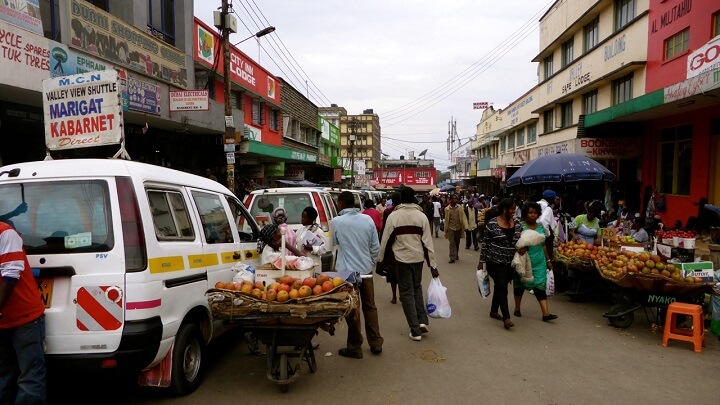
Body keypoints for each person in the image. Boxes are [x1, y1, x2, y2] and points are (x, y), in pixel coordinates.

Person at [379, 187, 439, 341]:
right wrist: (433, 266)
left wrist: (381, 261)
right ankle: (422, 321)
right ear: (413, 198)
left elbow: (385, 241)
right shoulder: (422, 217)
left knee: (406, 293)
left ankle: (415, 329)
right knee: (417, 288)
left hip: (402, 260)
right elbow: (428, 244)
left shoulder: (394, 217)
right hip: (418, 259)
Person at [0, 221, 47, 404]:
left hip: (24, 319)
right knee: (3, 377)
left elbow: (10, 275)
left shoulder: (5, 232)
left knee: (30, 378)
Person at [332, 191, 383, 358]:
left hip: (347, 274)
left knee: (352, 309)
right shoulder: (367, 220)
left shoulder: (337, 222)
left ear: (340, 203)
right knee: (370, 306)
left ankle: (355, 346)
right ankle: (375, 342)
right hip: (365, 271)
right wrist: (369, 262)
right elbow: (375, 246)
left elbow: (334, 243)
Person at [477, 198, 522, 330]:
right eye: (512, 209)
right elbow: (485, 244)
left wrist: (524, 248)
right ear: (504, 209)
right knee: (502, 286)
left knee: (500, 286)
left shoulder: (517, 224)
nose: (514, 211)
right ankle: (506, 318)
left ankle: (493, 310)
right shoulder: (492, 223)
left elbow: (521, 241)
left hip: (510, 262)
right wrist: (481, 261)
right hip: (494, 261)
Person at [513, 202, 558, 322]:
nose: (533, 215)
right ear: (525, 214)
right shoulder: (520, 226)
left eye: (535, 213)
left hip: (539, 261)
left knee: (540, 285)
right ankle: (517, 308)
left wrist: (548, 260)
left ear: (538, 214)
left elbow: (543, 245)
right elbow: (516, 243)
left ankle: (545, 313)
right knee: (520, 284)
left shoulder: (541, 227)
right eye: (530, 212)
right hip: (525, 260)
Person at [444, 194, 468, 263]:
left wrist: (466, 226)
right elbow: (446, 220)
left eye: (456, 199)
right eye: (454, 199)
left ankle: (456, 254)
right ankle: (452, 257)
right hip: (451, 228)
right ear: (450, 200)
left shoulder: (460, 208)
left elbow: (463, 217)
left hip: (458, 228)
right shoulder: (447, 209)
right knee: (451, 243)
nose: (455, 200)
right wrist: (446, 229)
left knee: (457, 242)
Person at [538, 190, 558, 256]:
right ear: (550, 199)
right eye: (554, 199)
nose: (555, 200)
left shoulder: (536, 203)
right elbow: (543, 221)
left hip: (536, 232)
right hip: (545, 235)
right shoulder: (547, 207)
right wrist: (547, 234)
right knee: (547, 255)